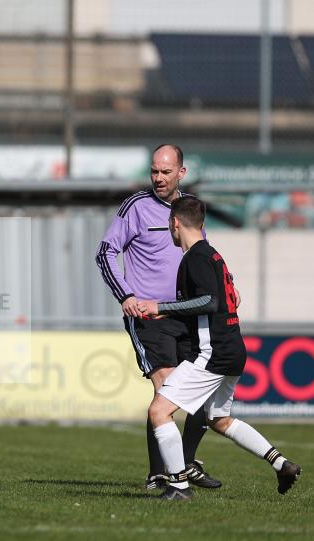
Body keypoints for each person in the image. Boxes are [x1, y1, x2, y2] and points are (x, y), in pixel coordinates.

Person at [137, 195, 301, 500]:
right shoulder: (212, 255)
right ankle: (281, 464)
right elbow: (219, 299)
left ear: (175, 223)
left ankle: (178, 486)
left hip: (212, 352)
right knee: (219, 420)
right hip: (233, 348)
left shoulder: (195, 258)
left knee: (159, 411)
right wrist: (170, 312)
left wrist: (162, 307)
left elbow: (208, 301)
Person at [96, 144, 222, 491]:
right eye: (154, 171)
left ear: (181, 173)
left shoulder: (190, 208)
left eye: (166, 172)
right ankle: (159, 474)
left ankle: (186, 463)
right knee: (167, 390)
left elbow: (204, 256)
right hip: (149, 318)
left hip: (185, 313)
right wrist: (126, 295)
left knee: (202, 391)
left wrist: (228, 284)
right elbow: (105, 253)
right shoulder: (135, 207)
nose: (159, 178)